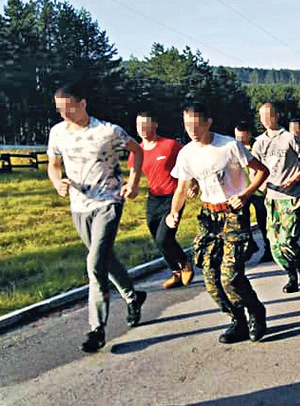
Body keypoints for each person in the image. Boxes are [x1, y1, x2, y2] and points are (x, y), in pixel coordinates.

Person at [47, 82, 147, 353]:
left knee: (94, 264)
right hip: (79, 206)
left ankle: (96, 329)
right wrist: (57, 182)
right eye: (59, 109)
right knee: (104, 258)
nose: (64, 114)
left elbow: (137, 150)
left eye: (69, 108)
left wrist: (134, 182)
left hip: (108, 202)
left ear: (82, 103)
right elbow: (54, 165)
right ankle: (133, 296)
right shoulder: (57, 133)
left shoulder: (108, 131)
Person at [166, 102, 269, 344]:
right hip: (209, 217)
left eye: (196, 125)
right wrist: (173, 213)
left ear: (208, 122)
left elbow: (262, 171)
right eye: (187, 126)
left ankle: (255, 312)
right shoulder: (186, 153)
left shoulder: (229, 146)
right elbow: (181, 188)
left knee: (230, 276)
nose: (192, 131)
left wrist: (245, 194)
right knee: (211, 280)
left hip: (234, 214)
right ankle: (237, 321)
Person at [252, 104, 300, 293]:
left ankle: (299, 271)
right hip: (271, 199)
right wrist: (259, 183)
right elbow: (254, 168)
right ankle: (291, 273)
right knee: (274, 245)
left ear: (277, 116)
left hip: (290, 198)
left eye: (269, 115)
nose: (266, 119)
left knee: (287, 240)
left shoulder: (288, 138)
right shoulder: (259, 142)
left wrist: (295, 177)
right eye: (262, 116)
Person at [131, 111, 193, 289]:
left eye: (146, 124)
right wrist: (130, 187)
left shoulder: (170, 145)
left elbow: (189, 162)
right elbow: (134, 175)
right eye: (139, 125)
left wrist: (194, 183)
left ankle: (184, 263)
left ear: (155, 125)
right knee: (156, 238)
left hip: (173, 196)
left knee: (164, 238)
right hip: (154, 198)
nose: (142, 128)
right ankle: (176, 272)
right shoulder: (137, 151)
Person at [234, 121, 272, 263]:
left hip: (258, 190)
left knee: (263, 221)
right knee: (241, 220)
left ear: (249, 134)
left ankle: (269, 249)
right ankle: (250, 244)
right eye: (237, 137)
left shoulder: (259, 146)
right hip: (241, 190)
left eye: (242, 137)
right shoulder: (234, 147)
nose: (239, 140)